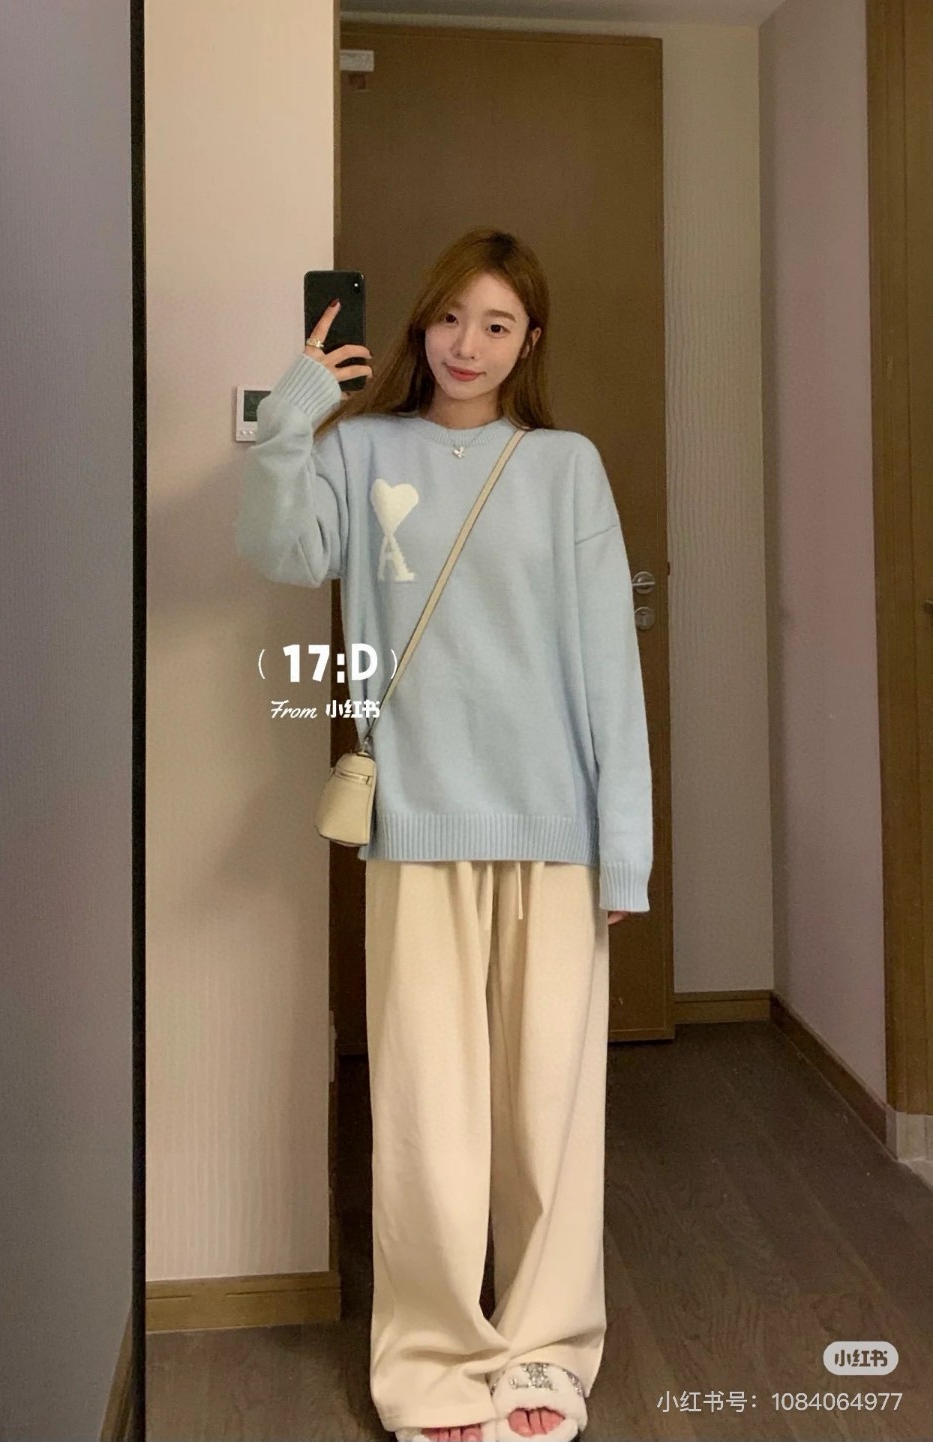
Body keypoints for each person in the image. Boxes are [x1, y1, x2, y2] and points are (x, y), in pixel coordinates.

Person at [234, 228, 653, 1442]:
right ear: (420, 325)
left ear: (530, 342)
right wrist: (294, 411)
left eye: (498, 324)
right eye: (452, 317)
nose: (469, 344)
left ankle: (544, 1352)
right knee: (429, 1111)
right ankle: (431, 1359)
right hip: (417, 822)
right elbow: (280, 550)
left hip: (556, 830)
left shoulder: (565, 465)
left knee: (550, 1113)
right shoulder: (359, 449)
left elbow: (608, 664)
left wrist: (623, 844)